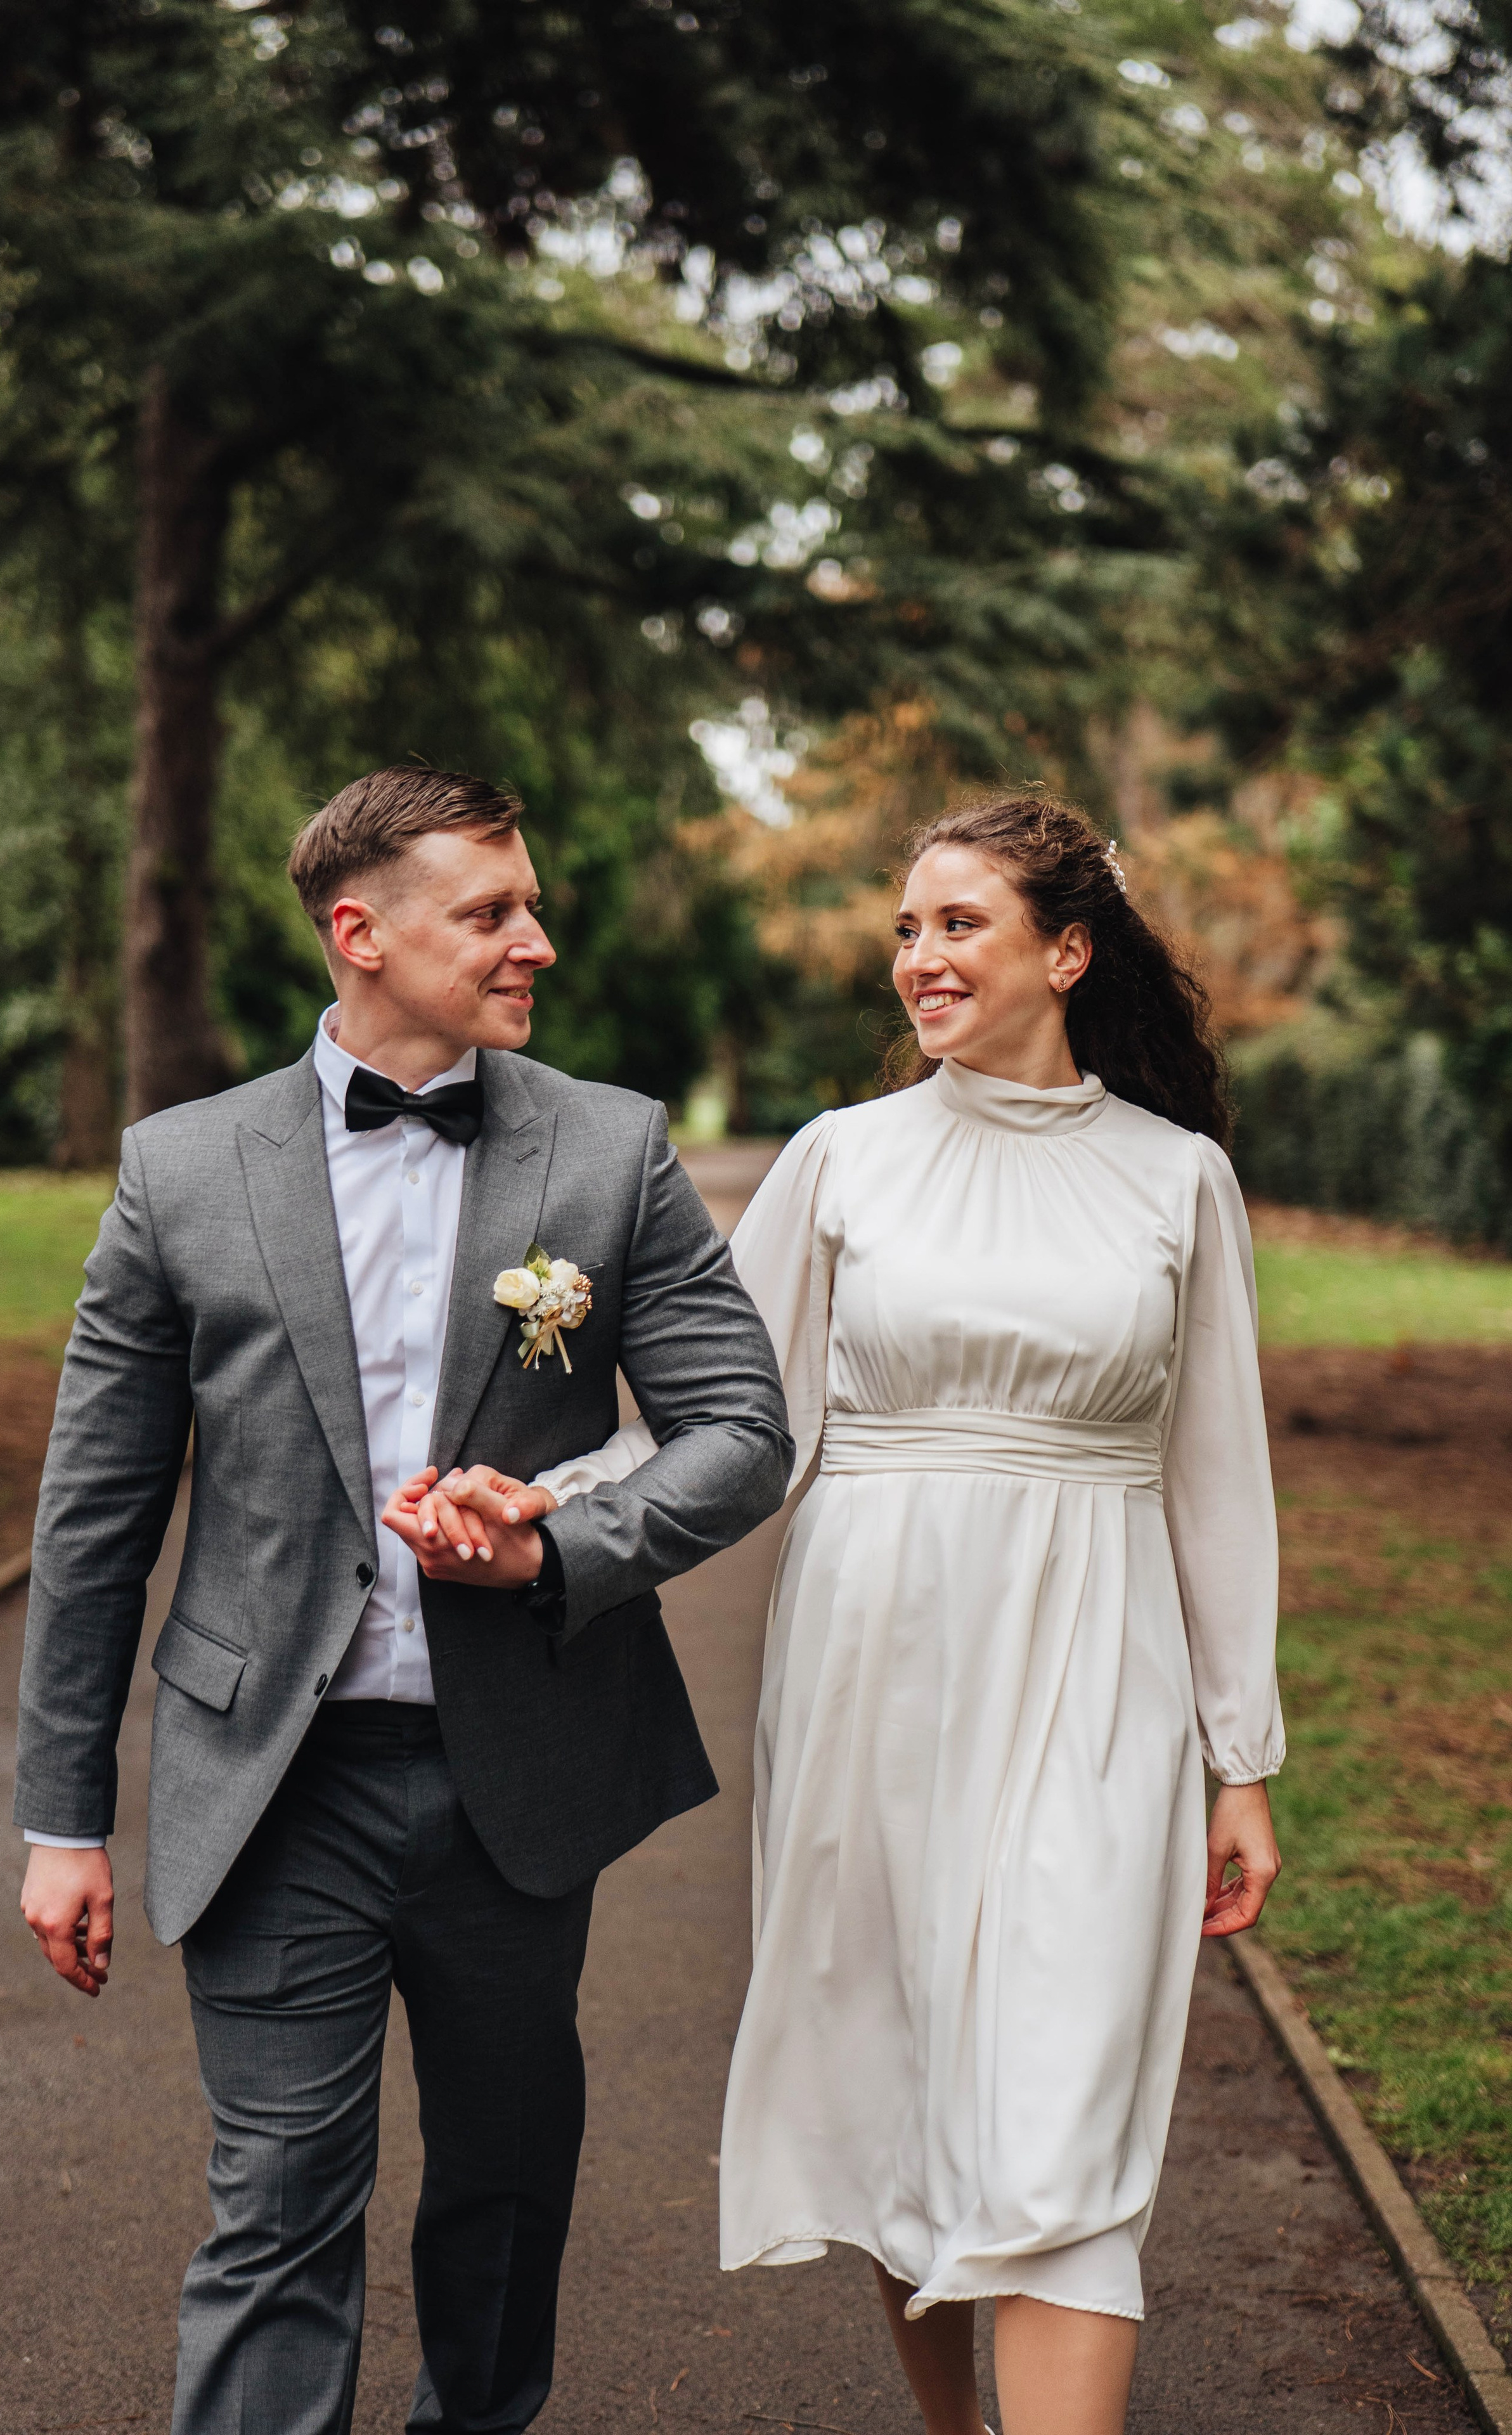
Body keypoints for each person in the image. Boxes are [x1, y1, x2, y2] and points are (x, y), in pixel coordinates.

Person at [458, 794, 1284, 2435]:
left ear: (1068, 949)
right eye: (907, 928)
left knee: (1061, 2104)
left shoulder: (1179, 1179)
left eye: (959, 923)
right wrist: (546, 1502)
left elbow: (1217, 1476)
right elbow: (726, 1418)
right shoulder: (846, 1157)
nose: (920, 957)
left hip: (1096, 1666)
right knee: (901, 2069)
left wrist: (1238, 1754)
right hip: (873, 1661)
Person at [14, 764, 792, 2435]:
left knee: (504, 2196)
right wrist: (61, 1817)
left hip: (517, 1769)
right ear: (361, 934)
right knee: (278, 2206)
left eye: (533, 906)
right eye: (492, 911)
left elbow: (742, 1433)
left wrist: (557, 1542)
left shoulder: (609, 1148)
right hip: (272, 1782)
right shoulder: (181, 1170)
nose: (538, 942)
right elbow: (93, 1515)